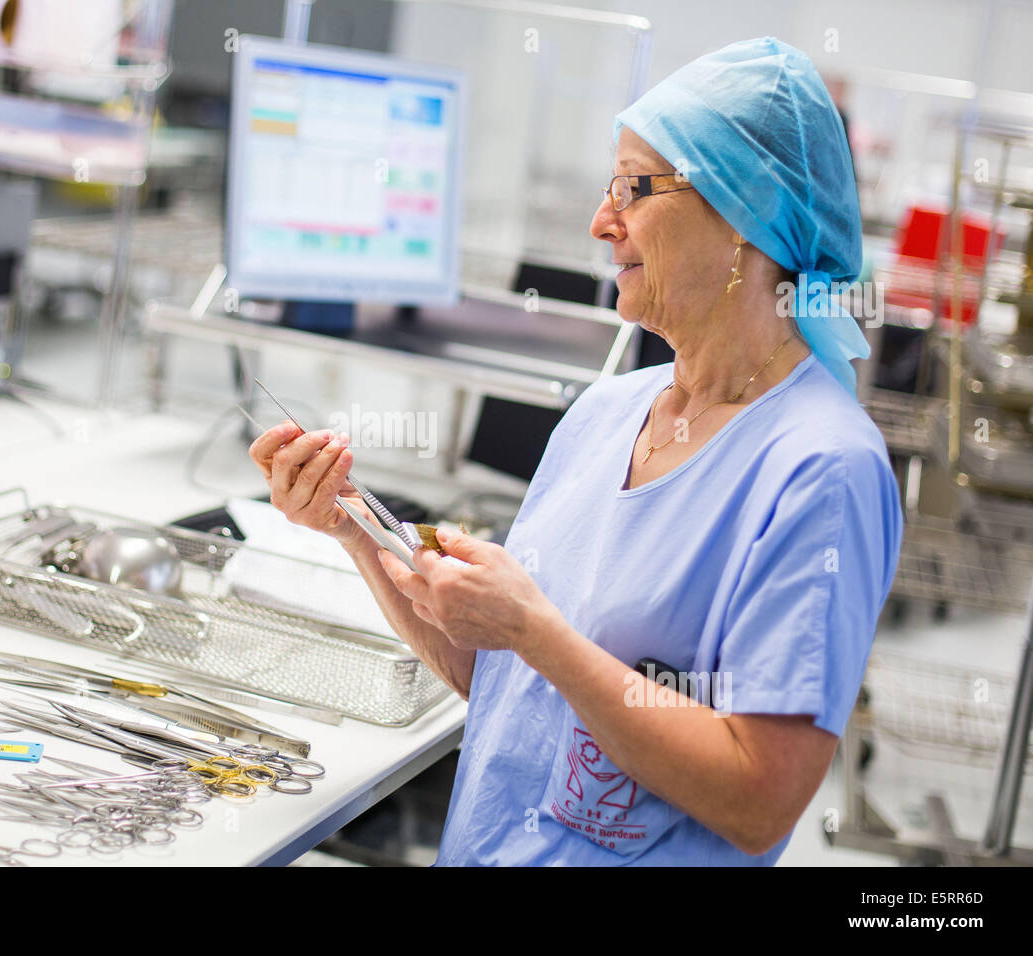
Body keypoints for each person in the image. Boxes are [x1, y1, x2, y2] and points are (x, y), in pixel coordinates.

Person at [247, 37, 902, 865]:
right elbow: (508, 685)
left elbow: (758, 797)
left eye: (635, 188)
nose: (602, 222)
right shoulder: (607, 413)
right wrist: (354, 528)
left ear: (744, 213)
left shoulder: (822, 471)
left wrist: (534, 630)